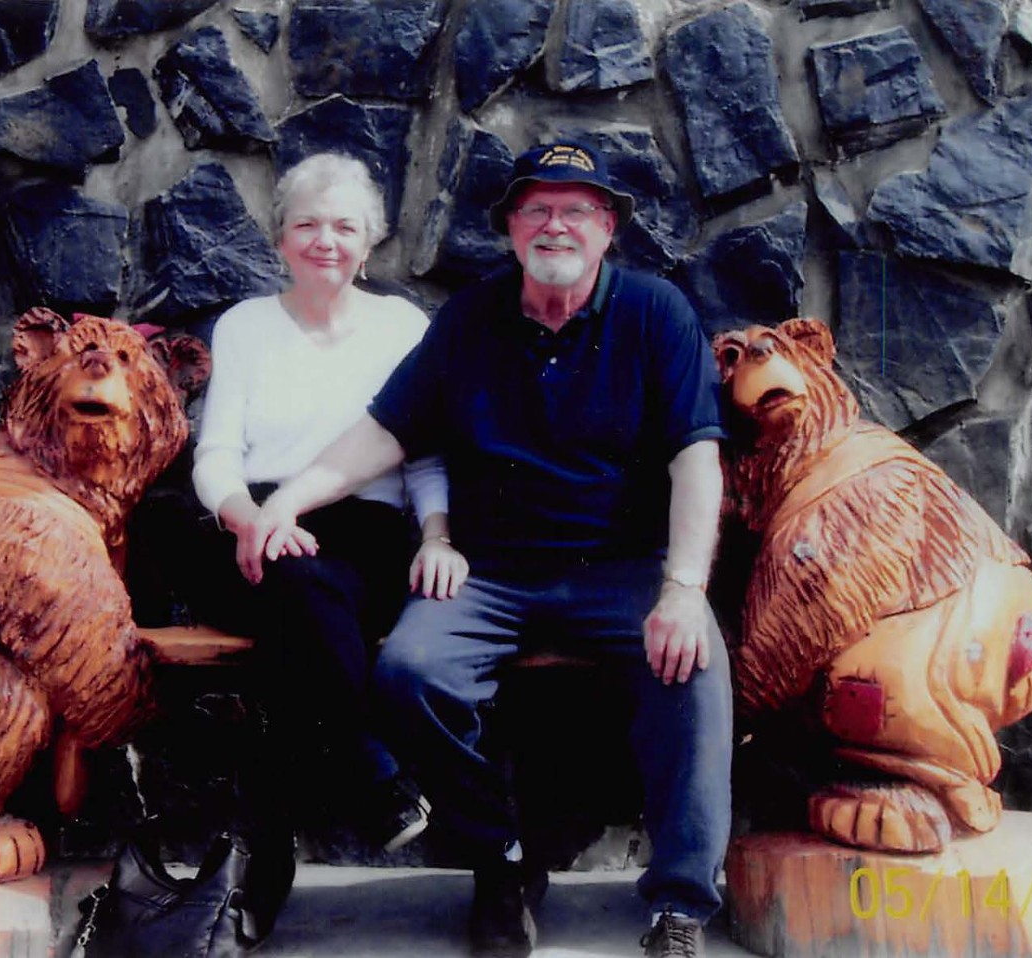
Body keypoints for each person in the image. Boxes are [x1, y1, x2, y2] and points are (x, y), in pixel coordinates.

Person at [240, 140, 732, 958]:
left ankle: (680, 907)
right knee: (408, 675)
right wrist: (288, 499)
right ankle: (500, 851)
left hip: (622, 571)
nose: (555, 225)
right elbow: (386, 431)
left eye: (576, 210)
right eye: (536, 208)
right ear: (510, 227)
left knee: (694, 669)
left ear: (608, 227)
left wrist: (682, 589)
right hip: (491, 572)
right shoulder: (471, 317)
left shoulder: (656, 314)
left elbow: (696, 459)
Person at [185, 152, 468, 935]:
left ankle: (270, 860)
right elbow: (215, 456)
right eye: (307, 225)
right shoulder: (244, 327)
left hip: (364, 535)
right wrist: (247, 518)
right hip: (251, 528)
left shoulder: (403, 328)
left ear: (368, 243)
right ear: (281, 239)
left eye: (344, 226)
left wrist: (437, 534)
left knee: (299, 620)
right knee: (295, 589)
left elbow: (425, 455)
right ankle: (370, 768)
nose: (326, 241)